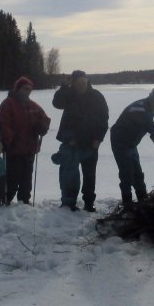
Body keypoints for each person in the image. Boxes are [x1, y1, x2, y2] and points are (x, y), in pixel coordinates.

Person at [51, 70, 109, 212]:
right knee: (69, 174)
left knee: (89, 175)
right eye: (78, 83)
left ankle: (89, 203)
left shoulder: (97, 96)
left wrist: (99, 138)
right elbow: (57, 103)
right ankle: (69, 203)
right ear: (73, 83)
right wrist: (64, 86)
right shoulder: (69, 94)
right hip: (71, 142)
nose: (81, 85)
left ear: (87, 81)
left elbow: (104, 119)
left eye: (83, 82)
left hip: (91, 142)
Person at [0, 76, 51, 205]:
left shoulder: (33, 106)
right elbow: (1, 122)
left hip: (30, 147)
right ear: (18, 89)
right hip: (14, 148)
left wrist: (42, 126)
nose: (28, 91)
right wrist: (9, 139)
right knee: (12, 178)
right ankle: (6, 200)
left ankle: (24, 201)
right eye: (25, 89)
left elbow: (44, 119)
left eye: (30, 89)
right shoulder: (8, 104)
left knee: (27, 178)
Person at [110, 88, 154, 208]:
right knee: (127, 173)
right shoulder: (139, 107)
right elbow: (146, 122)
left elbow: (145, 125)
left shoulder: (149, 109)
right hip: (120, 141)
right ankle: (127, 203)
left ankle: (143, 200)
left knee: (137, 173)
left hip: (131, 143)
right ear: (152, 99)